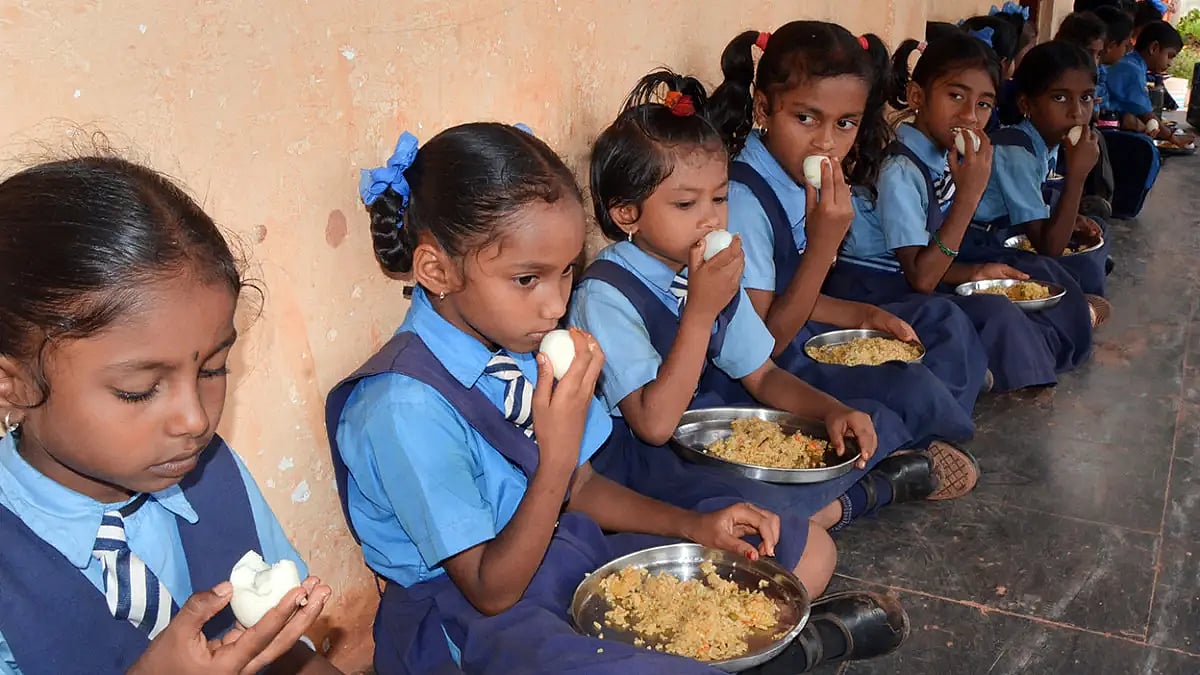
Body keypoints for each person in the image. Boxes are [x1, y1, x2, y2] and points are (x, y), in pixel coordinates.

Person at [327, 123, 909, 674]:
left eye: (566, 274)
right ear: (435, 269)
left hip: (559, 553)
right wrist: (555, 459)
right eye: (527, 279)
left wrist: (696, 527)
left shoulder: (523, 346)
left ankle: (757, 652)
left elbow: (583, 488)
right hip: (469, 616)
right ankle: (789, 653)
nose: (556, 305)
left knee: (806, 557)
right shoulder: (404, 407)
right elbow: (489, 587)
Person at [0, 155, 337, 674]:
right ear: (12, 384)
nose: (195, 420)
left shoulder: (211, 473)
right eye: (138, 390)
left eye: (213, 370)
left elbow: (287, 656)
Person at [706, 21, 990, 453]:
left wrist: (862, 315)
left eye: (845, 124)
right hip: (764, 370)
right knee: (904, 385)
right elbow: (767, 339)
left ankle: (935, 414)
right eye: (805, 118)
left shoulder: (802, 178)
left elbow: (785, 290)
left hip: (795, 325)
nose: (826, 142)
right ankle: (914, 447)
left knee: (938, 324)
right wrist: (822, 248)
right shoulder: (745, 200)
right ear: (762, 109)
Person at [830, 31, 1069, 392]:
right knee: (970, 316)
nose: (970, 116)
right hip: (870, 288)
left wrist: (976, 272)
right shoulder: (900, 171)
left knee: (1015, 284)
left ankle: (996, 364)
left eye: (984, 104)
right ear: (916, 97)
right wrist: (968, 197)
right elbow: (921, 278)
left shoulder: (943, 157)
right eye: (955, 96)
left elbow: (928, 261)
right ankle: (980, 376)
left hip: (907, 279)